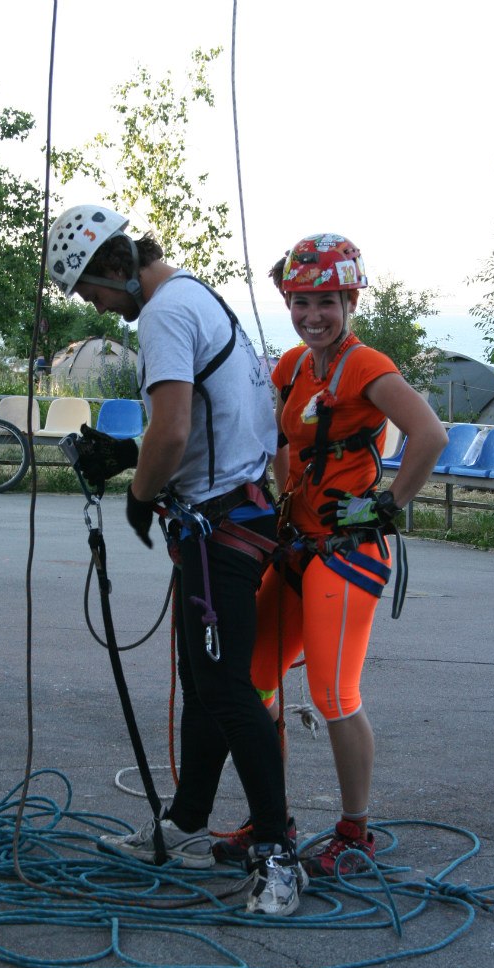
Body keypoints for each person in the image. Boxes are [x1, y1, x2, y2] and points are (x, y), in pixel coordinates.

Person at [46, 204, 308, 915]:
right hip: (230, 512)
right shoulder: (199, 297)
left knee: (226, 689)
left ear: (116, 265)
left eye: (90, 291)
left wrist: (138, 491)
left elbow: (175, 426)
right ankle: (188, 820)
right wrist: (137, 460)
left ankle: (277, 853)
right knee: (204, 681)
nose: (96, 307)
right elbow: (214, 424)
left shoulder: (164, 313)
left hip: (221, 526)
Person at [212, 233, 448, 876]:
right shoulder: (292, 366)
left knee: (332, 693)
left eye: (325, 301)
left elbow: (430, 435)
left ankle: (355, 833)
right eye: (299, 301)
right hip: (298, 548)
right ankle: (271, 818)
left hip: (348, 553)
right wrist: (281, 502)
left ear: (349, 299)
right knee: (251, 676)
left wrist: (387, 504)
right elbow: (277, 441)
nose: (312, 314)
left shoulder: (365, 365)